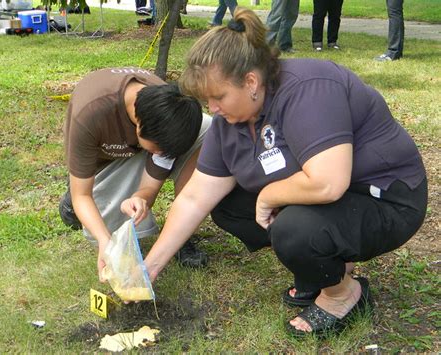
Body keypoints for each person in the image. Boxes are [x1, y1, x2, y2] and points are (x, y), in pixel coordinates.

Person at [142, 8, 427, 336]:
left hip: (387, 197)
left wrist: (267, 196)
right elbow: (194, 197)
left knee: (293, 230)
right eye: (207, 100)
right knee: (227, 206)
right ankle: (327, 267)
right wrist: (150, 267)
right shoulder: (227, 122)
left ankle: (343, 294)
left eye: (218, 97)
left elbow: (328, 183)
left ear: (251, 81)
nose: (212, 109)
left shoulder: (307, 89)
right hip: (336, 200)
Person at [59, 67, 213, 280]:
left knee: (208, 126)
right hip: (105, 162)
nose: (163, 155)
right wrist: (105, 241)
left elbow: (153, 176)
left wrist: (141, 198)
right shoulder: (90, 114)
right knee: (111, 232)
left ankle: (179, 231)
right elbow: (82, 196)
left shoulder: (168, 110)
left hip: (137, 148)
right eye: (160, 150)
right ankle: (70, 205)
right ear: (138, 126)